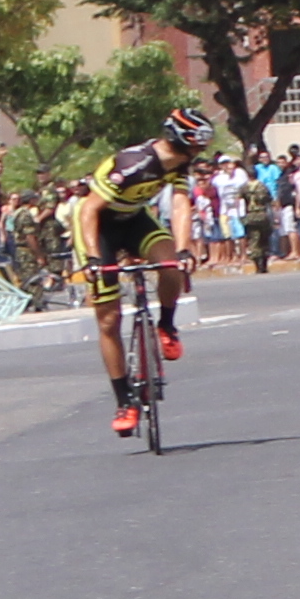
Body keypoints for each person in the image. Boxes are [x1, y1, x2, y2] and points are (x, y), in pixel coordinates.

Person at [50, 106, 215, 434]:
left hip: (134, 219)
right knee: (109, 319)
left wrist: (184, 249)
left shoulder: (180, 165)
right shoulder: (133, 164)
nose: (200, 153)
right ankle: (124, 400)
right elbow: (89, 211)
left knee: (171, 268)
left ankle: (166, 327)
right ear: (181, 140)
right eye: (197, 146)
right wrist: (95, 259)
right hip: (99, 227)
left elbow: (181, 205)